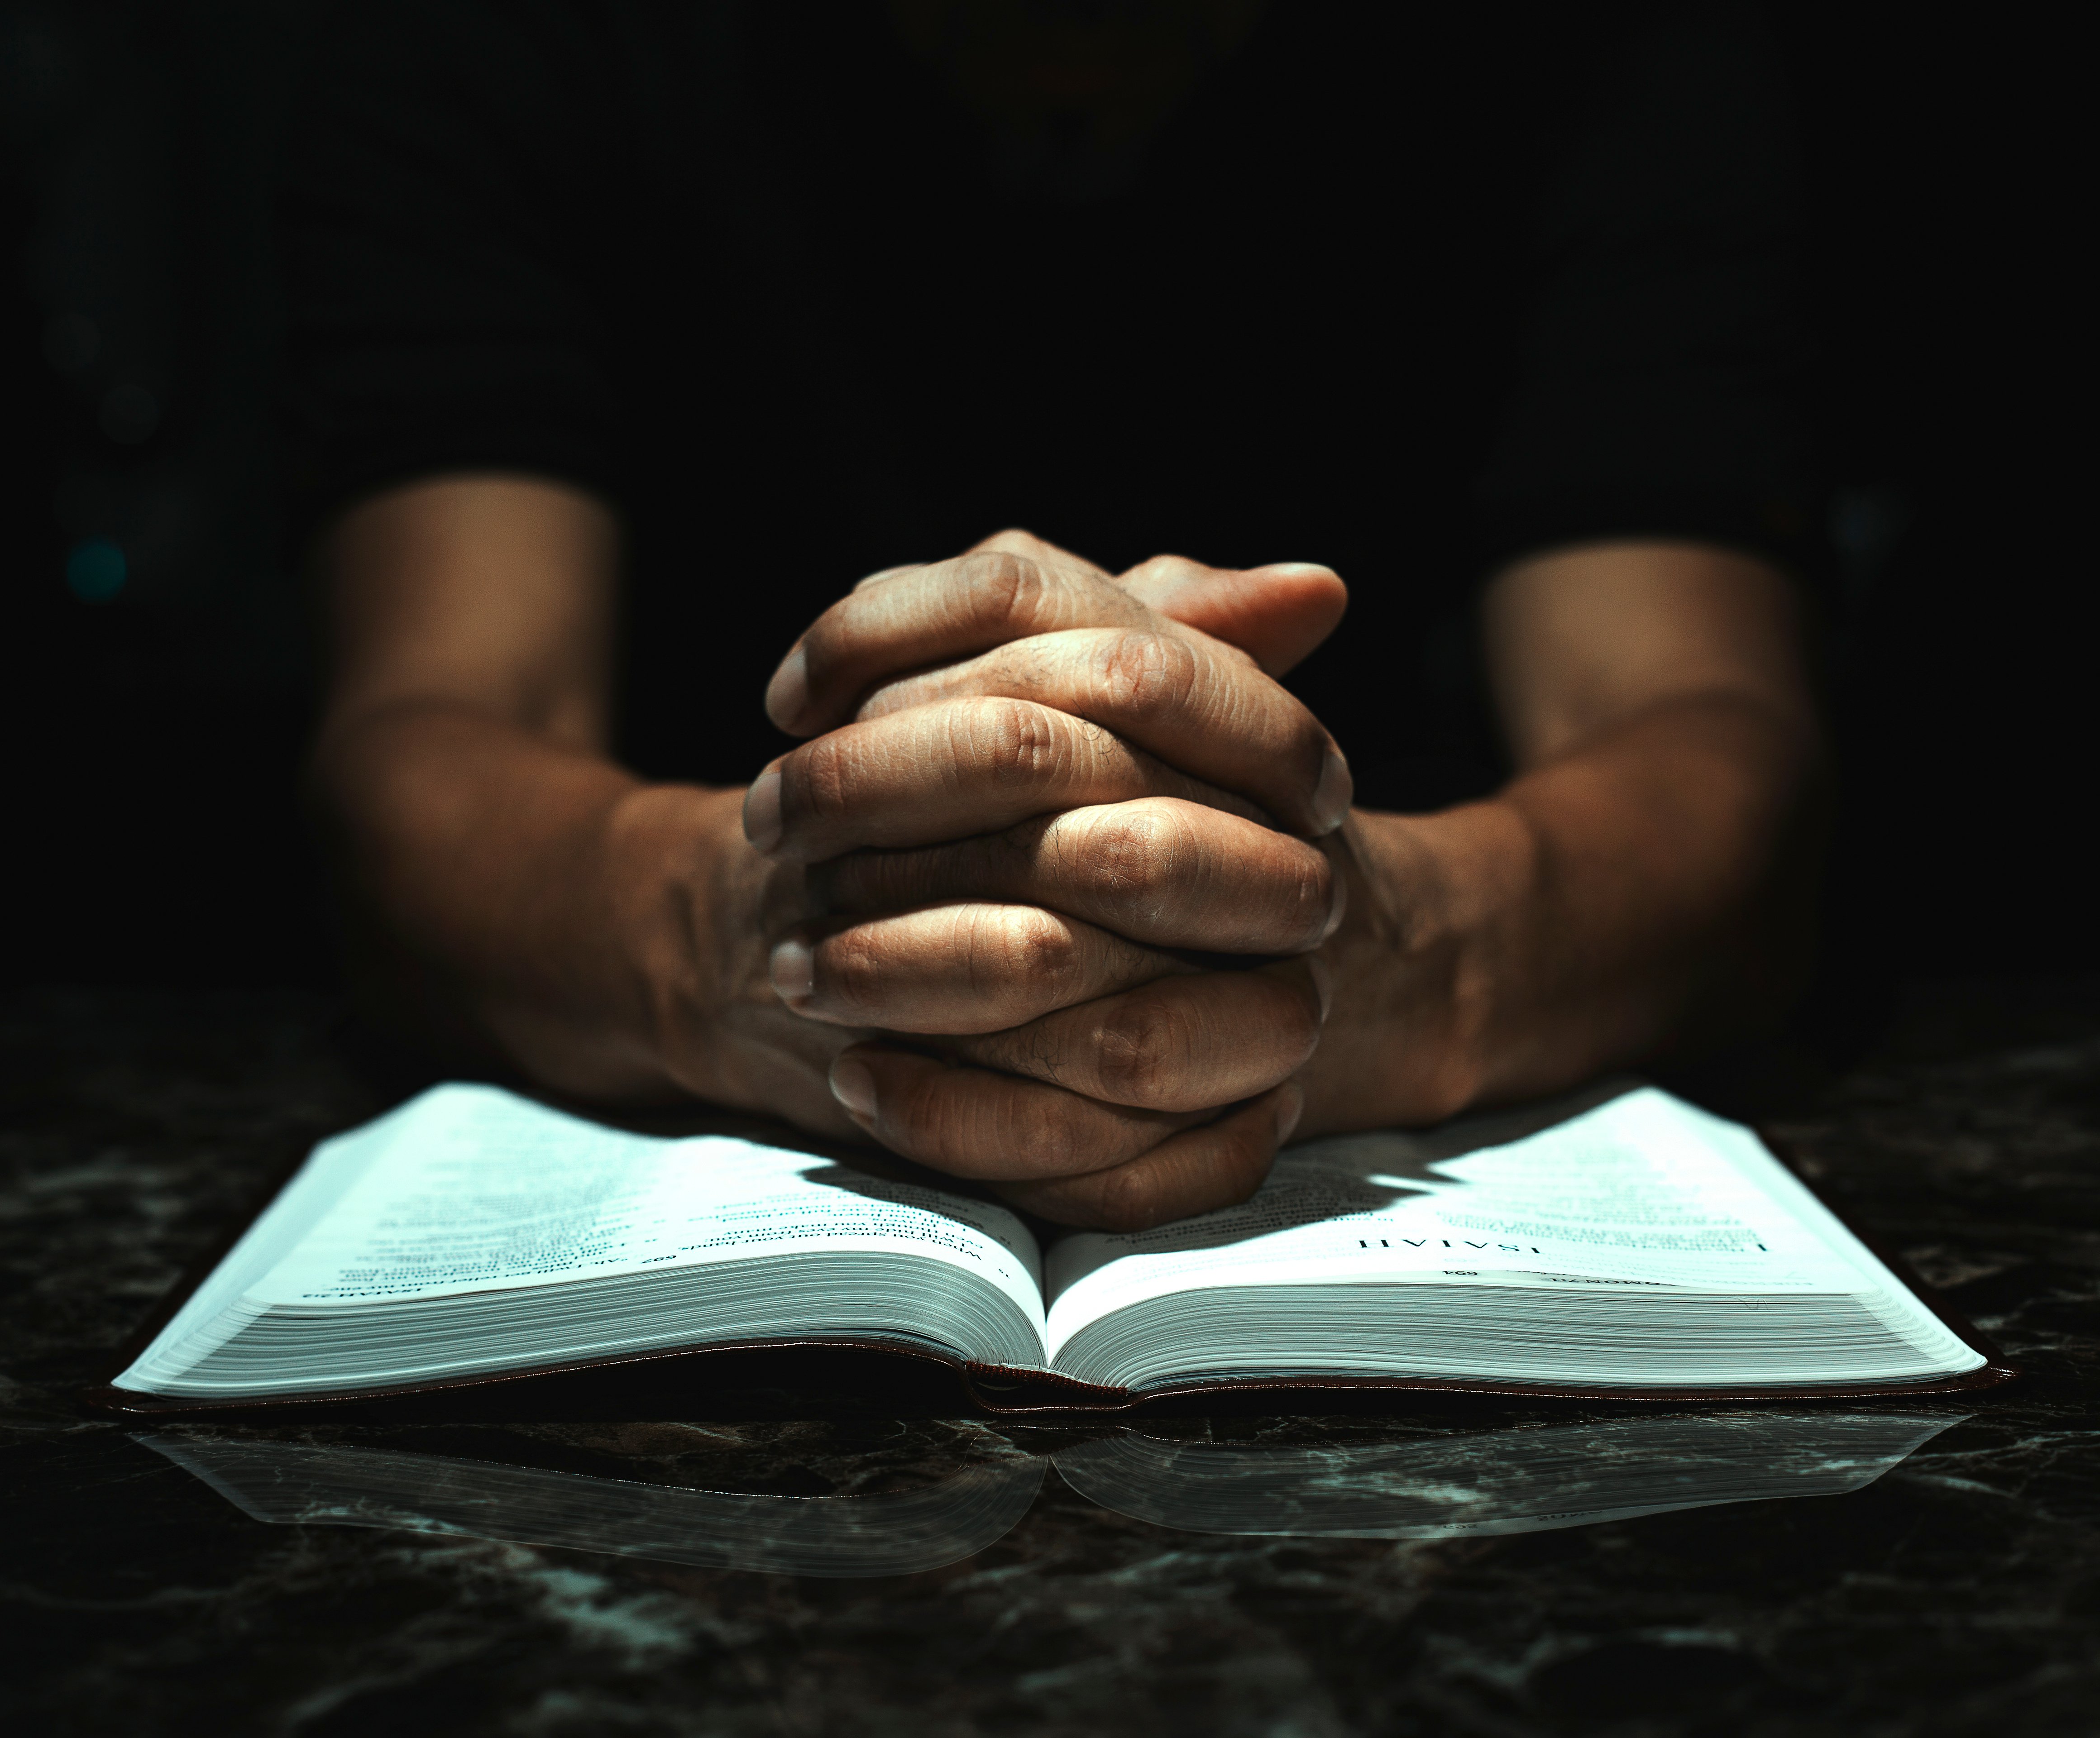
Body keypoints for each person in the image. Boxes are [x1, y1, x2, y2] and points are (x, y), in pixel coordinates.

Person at [288, 0, 1824, 1230]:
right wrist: (746, 928)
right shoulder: (511, 39)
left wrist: (1410, 944)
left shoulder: (1596, 45)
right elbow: (421, 744)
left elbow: (1713, 738)